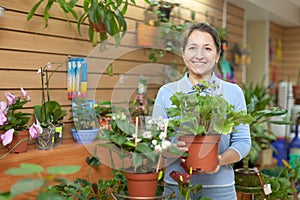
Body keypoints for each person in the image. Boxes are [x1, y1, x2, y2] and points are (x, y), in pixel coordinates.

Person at [152, 22, 251, 200]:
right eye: (192, 48)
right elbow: (155, 141)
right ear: (183, 54)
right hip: (177, 187)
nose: (199, 55)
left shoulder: (233, 92)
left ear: (217, 55)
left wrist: (219, 160)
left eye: (207, 48)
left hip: (221, 190)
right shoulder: (167, 92)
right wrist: (170, 149)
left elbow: (243, 142)